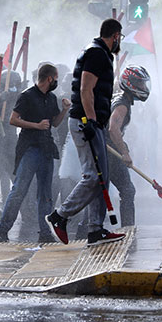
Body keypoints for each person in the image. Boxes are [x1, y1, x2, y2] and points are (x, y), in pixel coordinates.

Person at [46, 19, 127, 247]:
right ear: (115, 36)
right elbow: (85, 88)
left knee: (102, 177)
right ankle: (60, 216)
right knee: (93, 176)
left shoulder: (100, 53)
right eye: (119, 38)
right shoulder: (96, 53)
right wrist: (91, 119)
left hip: (92, 121)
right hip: (85, 121)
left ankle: (95, 230)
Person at [0, 63, 70, 243]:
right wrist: (35, 126)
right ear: (49, 78)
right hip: (30, 148)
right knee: (20, 190)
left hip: (46, 149)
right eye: (56, 78)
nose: (57, 82)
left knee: (45, 194)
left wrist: (65, 110)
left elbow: (54, 123)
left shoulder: (52, 98)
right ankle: (3, 229)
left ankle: (45, 233)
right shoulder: (27, 96)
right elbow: (13, 120)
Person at [105, 65, 151, 227]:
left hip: (108, 151)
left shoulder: (122, 100)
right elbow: (113, 129)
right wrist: (124, 152)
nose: (144, 88)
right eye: (141, 84)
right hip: (108, 153)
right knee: (126, 190)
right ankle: (127, 228)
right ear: (130, 84)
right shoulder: (122, 104)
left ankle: (126, 227)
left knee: (118, 191)